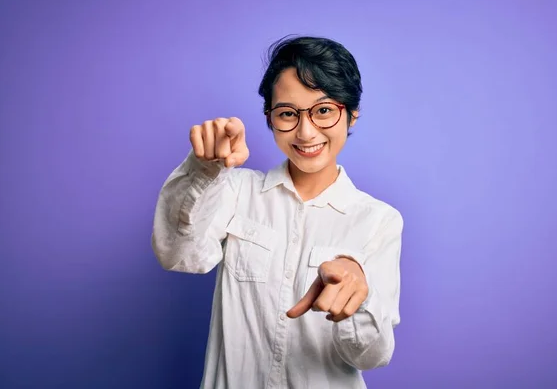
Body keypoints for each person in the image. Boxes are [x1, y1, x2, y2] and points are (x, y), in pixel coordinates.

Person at [151, 35, 404, 389]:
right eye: (287, 113)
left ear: (352, 115)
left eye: (324, 110)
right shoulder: (236, 191)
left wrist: (357, 295)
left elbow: (372, 357)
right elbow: (179, 255)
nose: (305, 131)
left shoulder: (378, 220)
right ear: (270, 119)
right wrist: (204, 167)